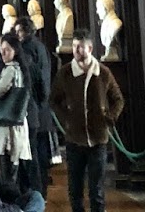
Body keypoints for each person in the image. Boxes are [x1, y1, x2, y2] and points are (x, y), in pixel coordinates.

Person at [49, 28, 123, 212]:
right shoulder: (66, 73)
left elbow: (118, 99)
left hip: (98, 138)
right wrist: (66, 118)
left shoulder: (103, 73)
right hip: (75, 138)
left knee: (96, 189)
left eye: (80, 47)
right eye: (74, 46)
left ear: (90, 48)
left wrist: (109, 118)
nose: (76, 51)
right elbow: (54, 99)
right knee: (75, 188)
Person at [0, 35, 33, 192]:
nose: (3, 53)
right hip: (17, 122)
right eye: (1, 50)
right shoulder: (21, 69)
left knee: (8, 168)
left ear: (15, 51)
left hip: (7, 125)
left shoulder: (10, 70)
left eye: (7, 50)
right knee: (14, 164)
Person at [13, 15, 51, 193]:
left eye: (18, 31)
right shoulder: (41, 47)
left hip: (30, 107)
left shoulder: (25, 50)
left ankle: (32, 191)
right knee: (39, 151)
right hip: (41, 107)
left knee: (29, 153)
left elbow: (34, 79)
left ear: (24, 32)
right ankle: (41, 189)